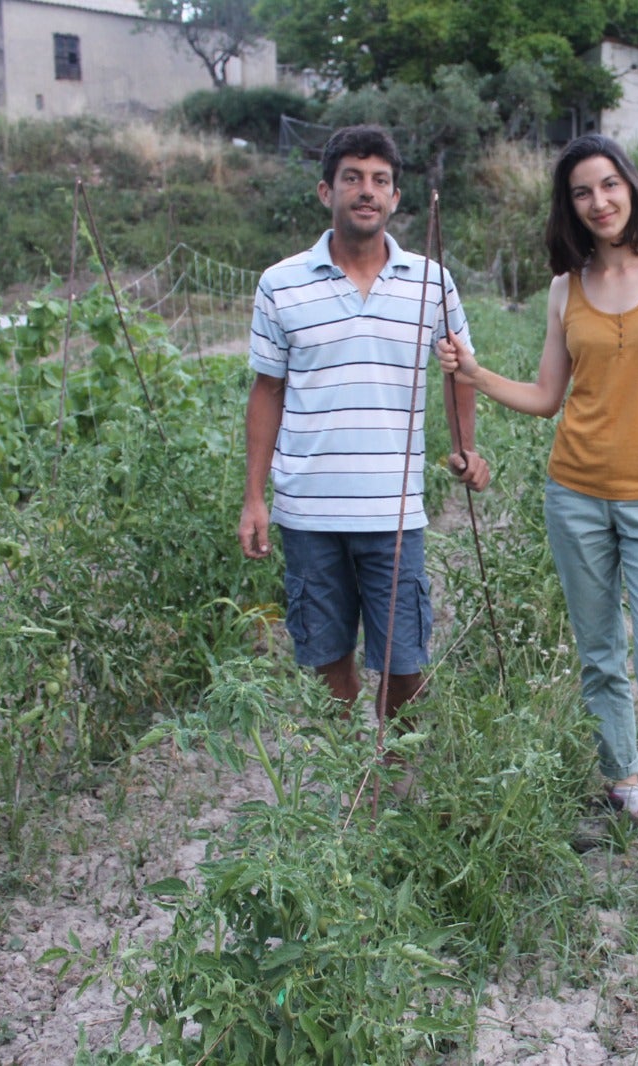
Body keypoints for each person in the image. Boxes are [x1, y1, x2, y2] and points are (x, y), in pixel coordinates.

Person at [436, 134, 638, 918]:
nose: (599, 202)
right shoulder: (568, 287)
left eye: (608, 185)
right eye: (581, 193)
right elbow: (546, 398)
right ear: (569, 207)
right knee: (599, 656)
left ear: (631, 186)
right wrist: (473, 373)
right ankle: (621, 791)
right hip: (576, 495)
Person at [238, 123, 489, 744]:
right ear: (327, 191)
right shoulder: (281, 283)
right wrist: (254, 498)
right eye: (352, 178)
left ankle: (398, 769)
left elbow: (459, 368)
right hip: (308, 509)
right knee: (326, 656)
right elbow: (267, 390)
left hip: (392, 509)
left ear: (396, 197)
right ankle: (350, 767)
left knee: (404, 660)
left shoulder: (430, 281)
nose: (366, 191)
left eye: (380, 180)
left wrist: (464, 447)